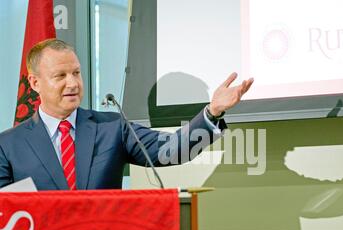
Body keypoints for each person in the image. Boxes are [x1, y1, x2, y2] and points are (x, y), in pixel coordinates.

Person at [0, 39, 253, 190]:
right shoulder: (9, 145)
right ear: (34, 83)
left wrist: (212, 111)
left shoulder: (111, 128)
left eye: (76, 73)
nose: (73, 83)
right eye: (60, 76)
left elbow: (172, 150)